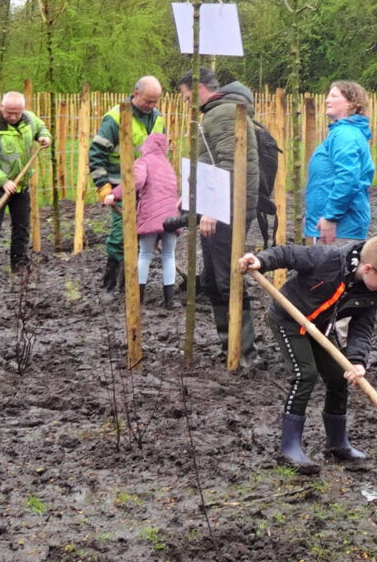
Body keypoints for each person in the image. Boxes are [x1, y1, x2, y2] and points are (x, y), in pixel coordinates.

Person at [237, 236, 377, 475]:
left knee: (339, 377)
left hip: (317, 328)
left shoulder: (373, 293)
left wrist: (357, 361)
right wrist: (261, 261)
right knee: (305, 374)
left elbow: (362, 328)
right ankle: (289, 448)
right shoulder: (328, 259)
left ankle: (338, 444)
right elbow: (288, 254)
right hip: (288, 319)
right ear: (368, 268)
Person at [178, 68, 269, 358]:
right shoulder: (219, 112)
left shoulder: (224, 114)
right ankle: (229, 343)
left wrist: (213, 210)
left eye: (188, 96)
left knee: (228, 278)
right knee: (216, 279)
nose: (187, 103)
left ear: (202, 88)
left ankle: (244, 350)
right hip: (221, 209)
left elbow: (232, 165)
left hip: (226, 211)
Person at [87, 77, 166, 290]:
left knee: (147, 234)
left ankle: (130, 284)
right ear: (136, 94)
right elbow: (96, 153)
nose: (152, 106)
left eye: (155, 102)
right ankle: (110, 284)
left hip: (148, 188)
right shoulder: (115, 118)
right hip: (120, 186)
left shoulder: (158, 118)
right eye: (148, 101)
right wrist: (103, 186)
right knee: (121, 234)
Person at [0, 92, 50, 276]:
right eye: (9, 113)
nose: (13, 117)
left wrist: (44, 137)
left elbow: (41, 127)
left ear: (23, 110)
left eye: (17, 113)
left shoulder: (29, 119)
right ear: (1, 107)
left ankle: (19, 263)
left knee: (22, 226)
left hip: (21, 185)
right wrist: (4, 181)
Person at [304, 80, 375, 246]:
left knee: (332, 271)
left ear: (351, 103)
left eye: (334, 96)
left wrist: (331, 216)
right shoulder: (343, 132)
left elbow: (348, 178)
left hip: (340, 228)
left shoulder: (345, 135)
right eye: (328, 95)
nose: (327, 100)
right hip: (339, 226)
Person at [126, 129, 183, 308]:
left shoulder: (143, 161)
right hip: (172, 217)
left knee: (144, 255)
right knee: (168, 255)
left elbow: (136, 181)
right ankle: (169, 300)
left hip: (150, 215)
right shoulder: (167, 165)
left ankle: (138, 299)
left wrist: (115, 194)